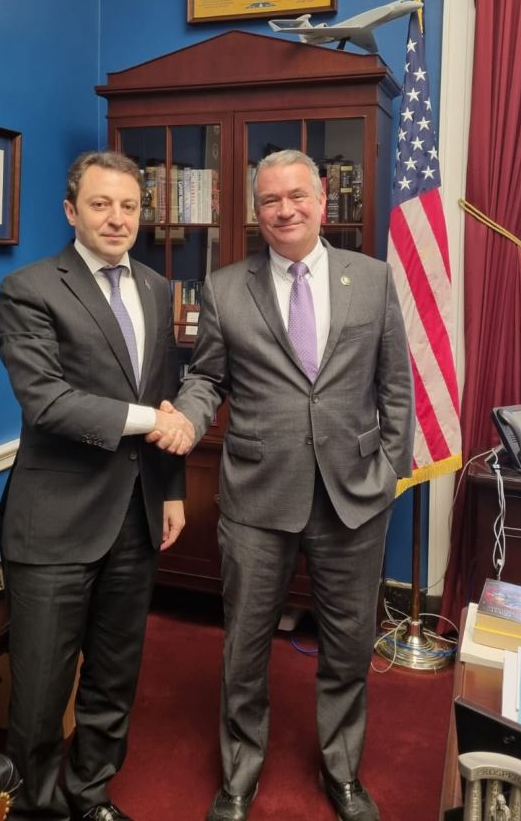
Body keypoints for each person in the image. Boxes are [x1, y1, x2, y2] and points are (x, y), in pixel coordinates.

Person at [153, 150, 414, 821]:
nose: (285, 210)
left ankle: (342, 771)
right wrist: (186, 418)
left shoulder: (373, 279)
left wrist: (390, 468)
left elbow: (395, 384)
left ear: (322, 200)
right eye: (270, 200)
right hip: (258, 495)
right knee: (244, 646)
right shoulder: (224, 288)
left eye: (297, 196)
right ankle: (240, 774)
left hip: (354, 494)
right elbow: (207, 377)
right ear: (256, 212)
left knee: (349, 646)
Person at [0, 150, 192, 821]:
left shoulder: (158, 288)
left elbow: (163, 390)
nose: (117, 218)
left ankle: (89, 794)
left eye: (129, 206)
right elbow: (46, 401)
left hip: (136, 515)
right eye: (101, 204)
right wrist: (153, 421)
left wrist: (171, 490)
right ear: (70, 210)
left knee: (114, 676)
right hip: (54, 522)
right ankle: (34, 808)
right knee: (40, 695)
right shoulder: (29, 288)